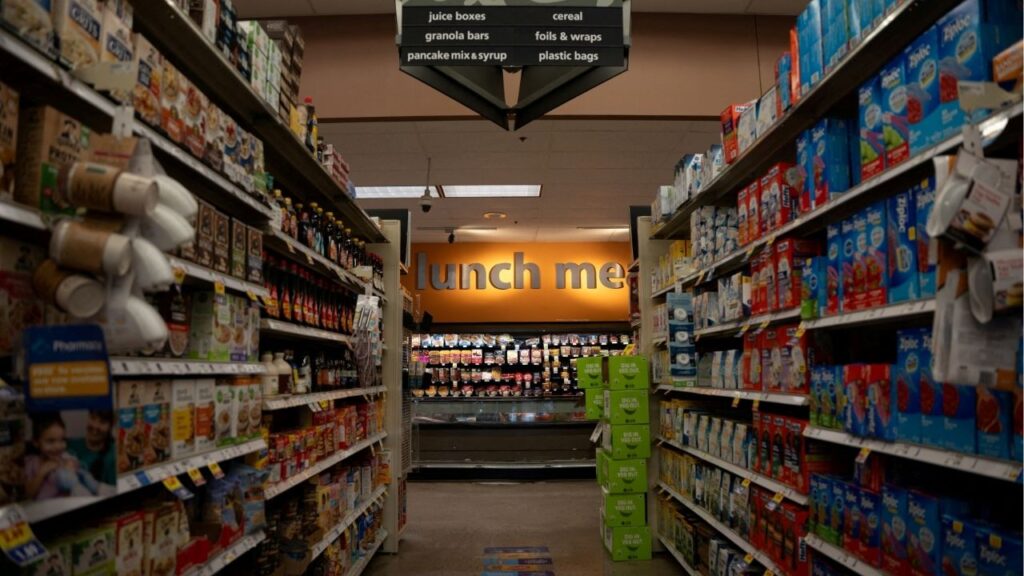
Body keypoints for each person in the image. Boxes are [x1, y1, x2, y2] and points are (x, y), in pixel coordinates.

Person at [24, 413, 99, 499]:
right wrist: (41, 473)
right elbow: (27, 495)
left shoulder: (67, 459)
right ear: (36, 442)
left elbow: (80, 484)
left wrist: (73, 470)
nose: (58, 446)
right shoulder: (30, 463)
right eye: (51, 441)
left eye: (62, 440)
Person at [67, 410, 117, 488]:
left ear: (110, 427)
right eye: (93, 418)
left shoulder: (113, 455)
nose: (95, 425)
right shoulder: (68, 445)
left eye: (102, 422)